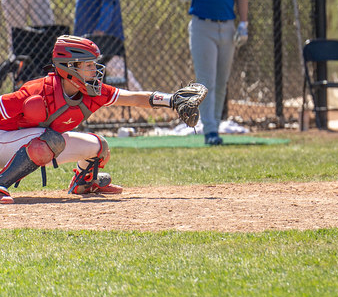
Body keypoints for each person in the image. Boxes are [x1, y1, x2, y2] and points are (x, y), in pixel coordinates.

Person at [0, 35, 207, 203]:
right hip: (4, 140)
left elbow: (134, 98)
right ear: (69, 66)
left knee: (99, 147)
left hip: (41, 142)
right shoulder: (37, 91)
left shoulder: (92, 92)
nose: (95, 70)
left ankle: (84, 182)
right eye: (88, 65)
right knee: (51, 139)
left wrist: (172, 101)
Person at [176, 0, 251, 145]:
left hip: (227, 26)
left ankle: (214, 125)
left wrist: (244, 23)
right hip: (202, 26)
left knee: (221, 80)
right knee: (206, 79)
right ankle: (209, 129)